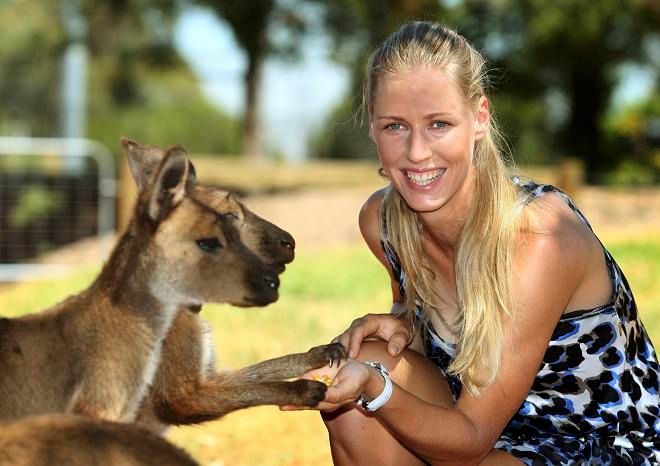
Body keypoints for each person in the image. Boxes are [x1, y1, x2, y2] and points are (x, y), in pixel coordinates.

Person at [286, 20, 660, 465]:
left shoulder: (538, 236)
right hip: (484, 426)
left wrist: (376, 387)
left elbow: (468, 443)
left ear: (479, 118)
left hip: (596, 440)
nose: (417, 152)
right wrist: (405, 325)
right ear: (372, 127)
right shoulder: (383, 223)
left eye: (439, 124)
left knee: (370, 385)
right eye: (395, 127)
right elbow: (430, 333)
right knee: (363, 373)